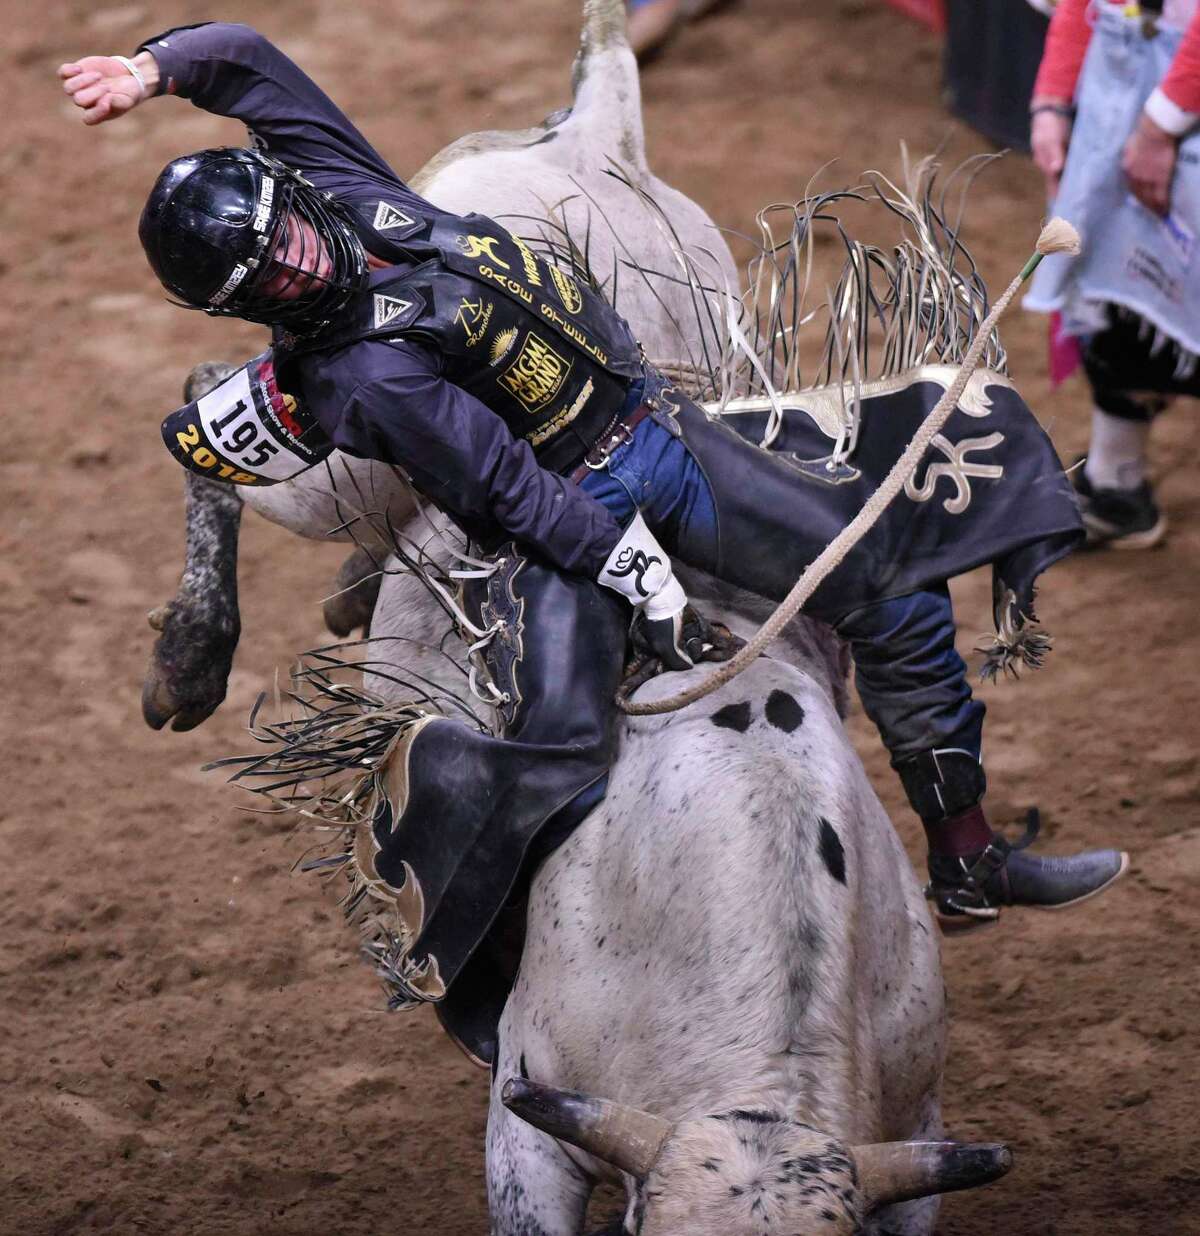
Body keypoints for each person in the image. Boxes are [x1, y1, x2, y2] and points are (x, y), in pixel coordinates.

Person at [59, 24, 1126, 1004]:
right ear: (255, 303)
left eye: (285, 230)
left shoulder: (341, 192)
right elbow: (504, 488)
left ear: (288, 195)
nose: (299, 256)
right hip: (575, 500)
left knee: (890, 588)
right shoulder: (361, 378)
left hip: (663, 428)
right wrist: (636, 571)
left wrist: (152, 71)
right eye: (272, 272)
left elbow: (248, 63)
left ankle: (968, 856)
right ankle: (483, 980)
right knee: (559, 753)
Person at [1027, 0, 1200, 548]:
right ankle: (1116, 482)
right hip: (1126, 77)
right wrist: (1051, 102)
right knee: (1108, 275)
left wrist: (1159, 126)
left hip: (1168, 99)